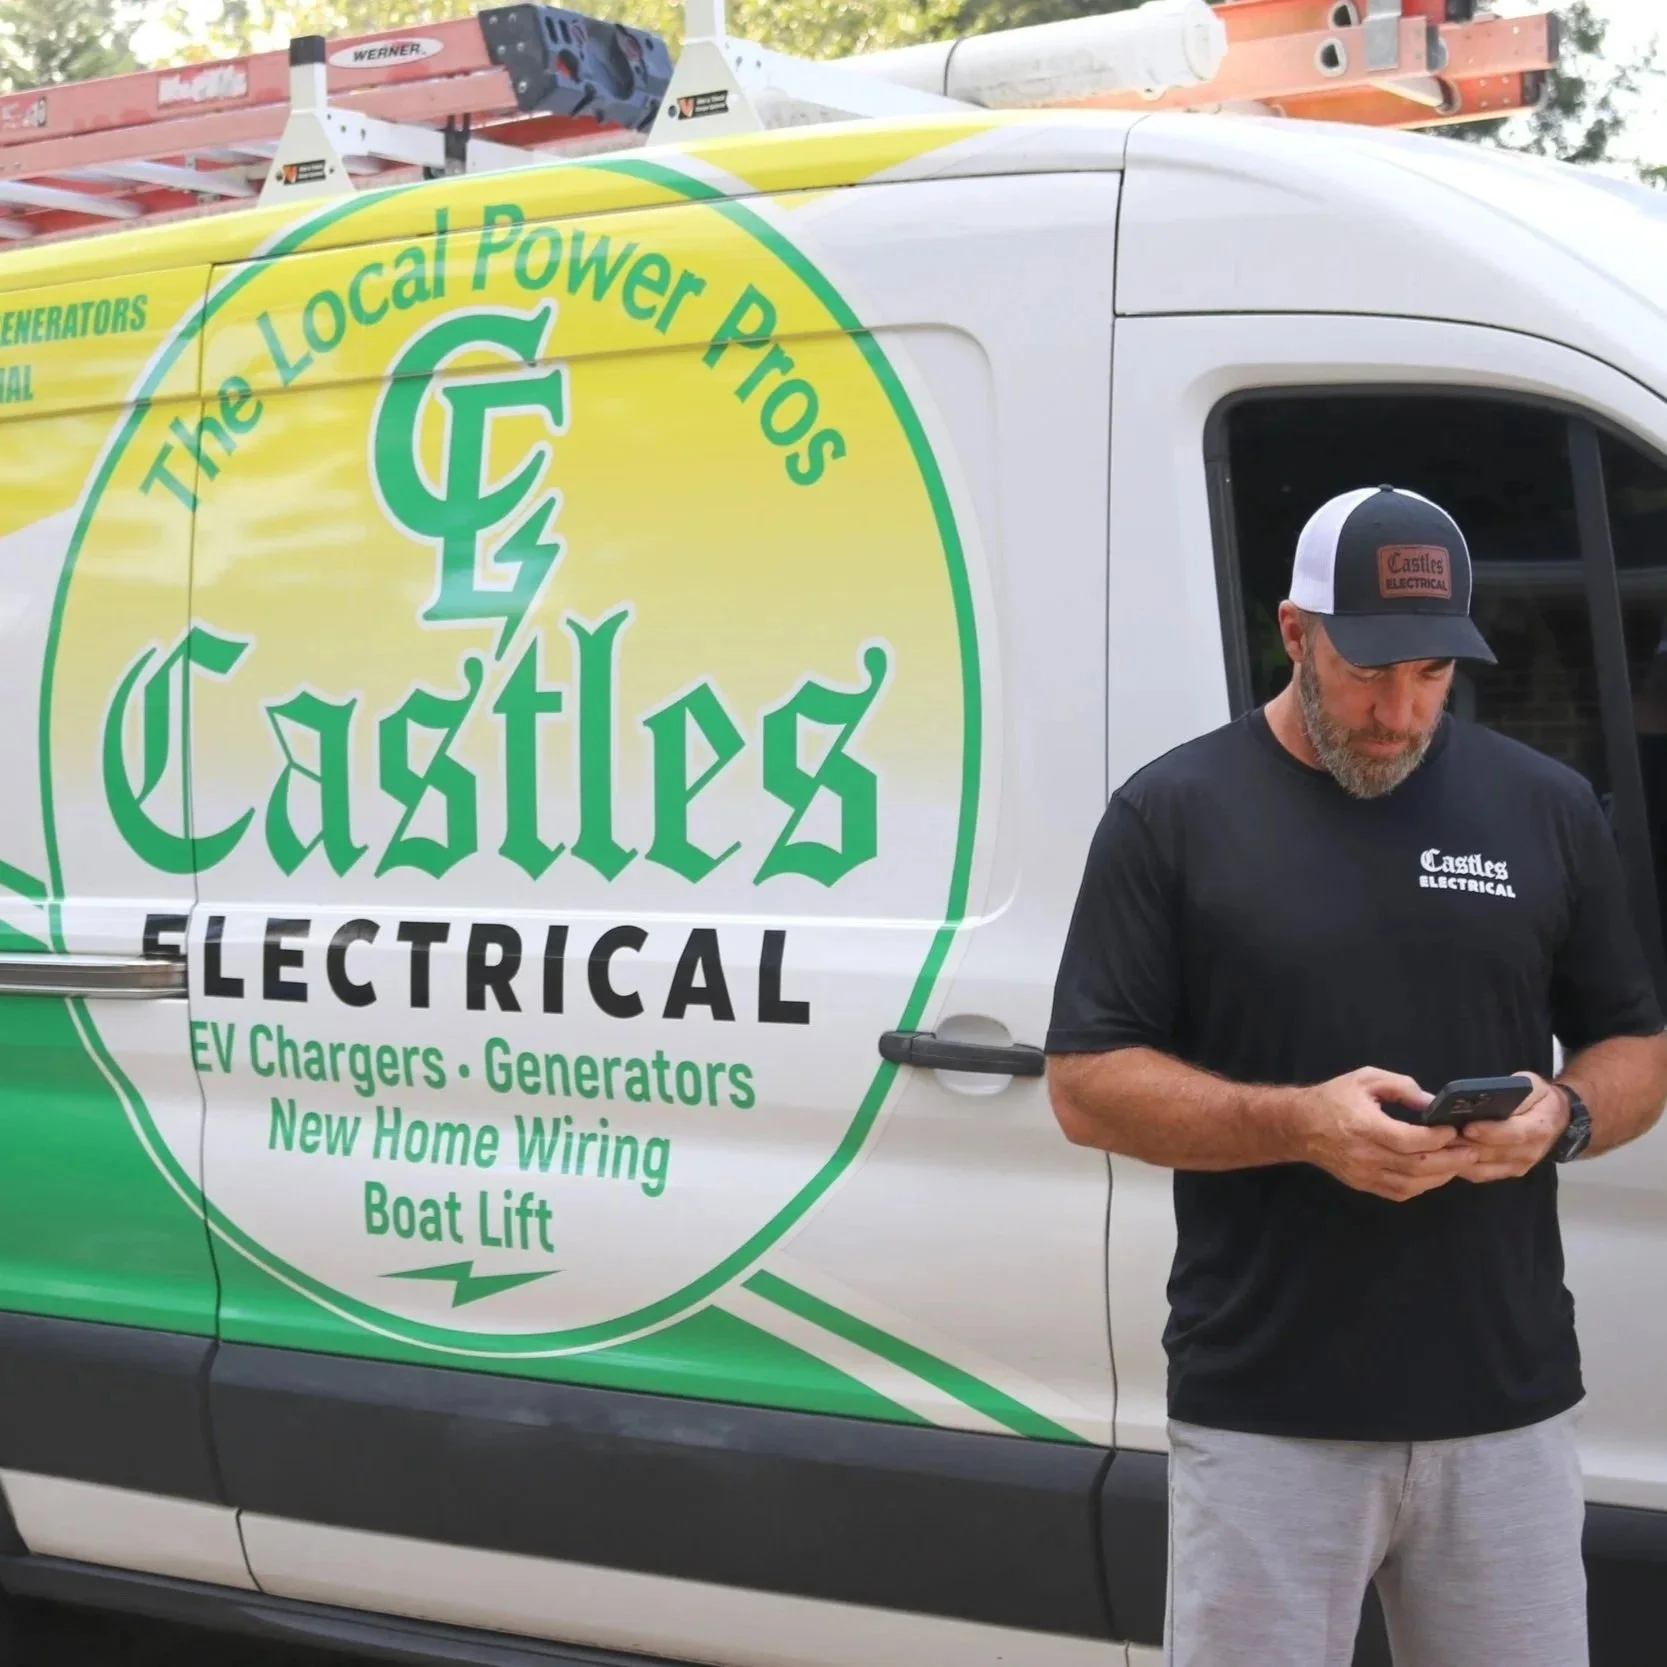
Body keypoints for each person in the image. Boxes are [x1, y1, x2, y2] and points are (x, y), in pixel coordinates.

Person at [1046, 485, 1667, 1667]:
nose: (1396, 711)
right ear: (1293, 632)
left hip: (1505, 1402)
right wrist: (1299, 1123)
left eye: (1430, 672)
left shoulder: (1538, 808)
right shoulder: (1173, 812)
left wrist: (1562, 1114)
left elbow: (1634, 1045)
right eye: (1366, 668)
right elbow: (1084, 1082)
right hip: (1269, 1409)